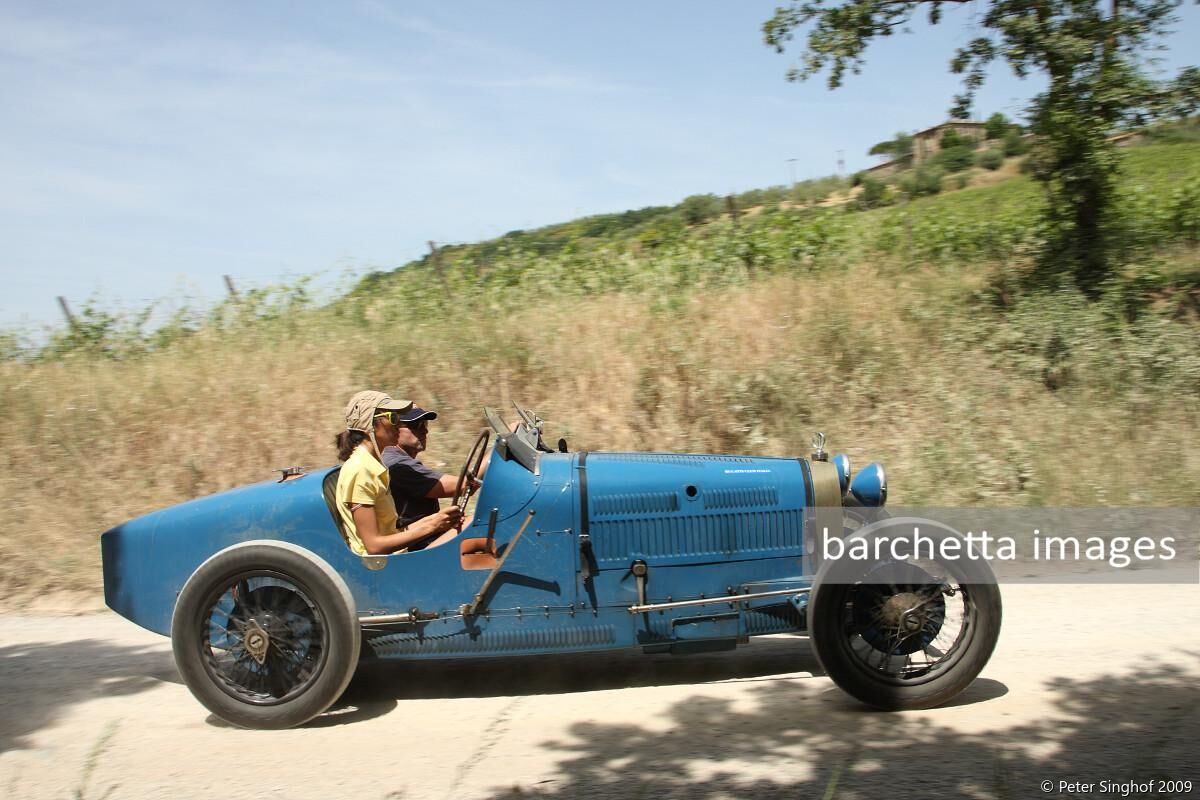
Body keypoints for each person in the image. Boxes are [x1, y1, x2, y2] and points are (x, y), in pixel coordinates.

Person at [333, 390, 461, 555]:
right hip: (386, 566)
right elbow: (374, 546)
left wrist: (437, 519)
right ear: (370, 425)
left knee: (468, 525)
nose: (398, 426)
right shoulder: (360, 470)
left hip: (398, 555)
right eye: (393, 418)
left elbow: (394, 532)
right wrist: (431, 526)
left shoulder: (373, 465)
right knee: (475, 533)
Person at [381, 405, 481, 539]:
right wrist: (497, 453)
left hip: (427, 535)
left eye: (425, 423)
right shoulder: (398, 465)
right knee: (481, 525)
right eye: (416, 425)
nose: (425, 430)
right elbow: (464, 485)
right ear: (394, 429)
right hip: (415, 545)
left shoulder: (398, 459)